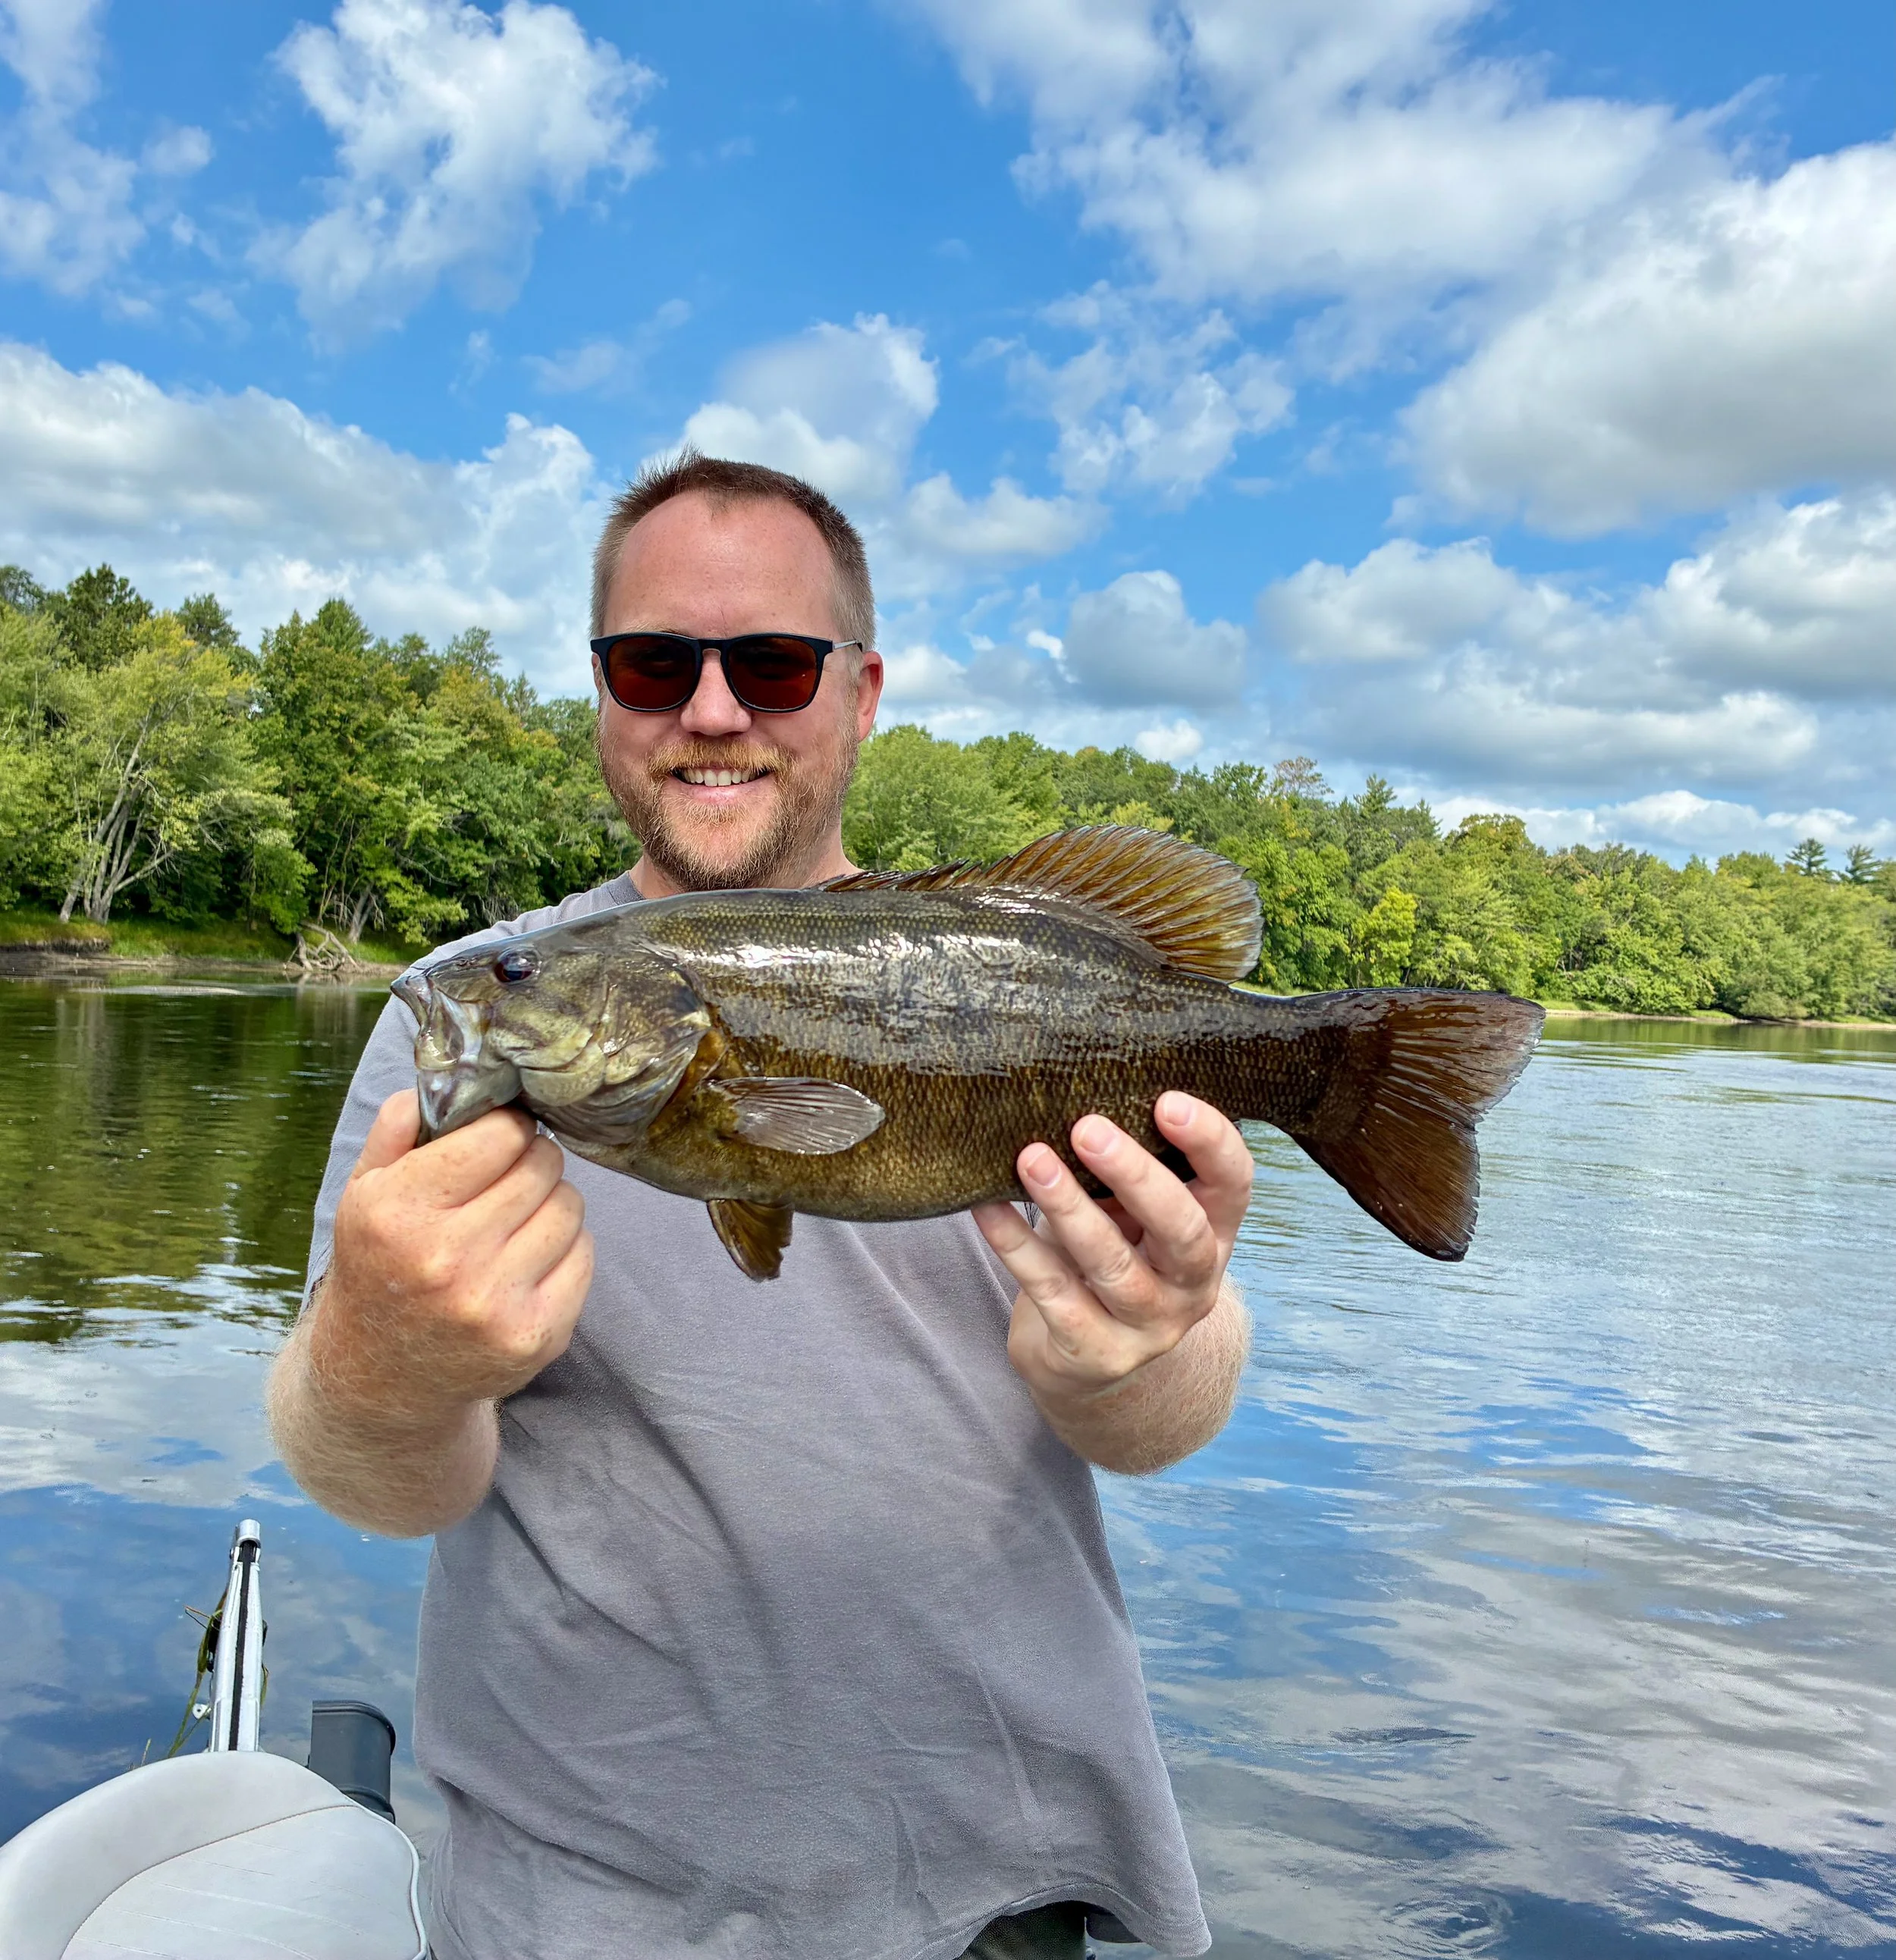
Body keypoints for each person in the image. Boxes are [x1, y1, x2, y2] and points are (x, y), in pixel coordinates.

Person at [268, 451, 1254, 1960]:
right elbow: (378, 1479)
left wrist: (1139, 1354)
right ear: (601, 691)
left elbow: (1171, 1407)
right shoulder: (458, 1018)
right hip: (579, 1894)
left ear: (860, 694)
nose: (711, 709)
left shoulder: (1018, 976)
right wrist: (377, 1358)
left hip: (993, 1878)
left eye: (774, 664)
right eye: (655, 661)